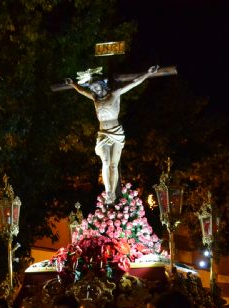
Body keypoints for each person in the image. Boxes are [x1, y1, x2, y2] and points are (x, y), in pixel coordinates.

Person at [65, 66, 159, 204]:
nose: (95, 90)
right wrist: (73, 84)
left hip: (116, 132)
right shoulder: (95, 99)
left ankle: (112, 194)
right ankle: (108, 191)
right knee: (105, 162)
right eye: (93, 89)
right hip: (103, 134)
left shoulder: (114, 94)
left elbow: (133, 83)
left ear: (103, 85)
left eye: (97, 87)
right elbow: (81, 90)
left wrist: (147, 73)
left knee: (113, 165)